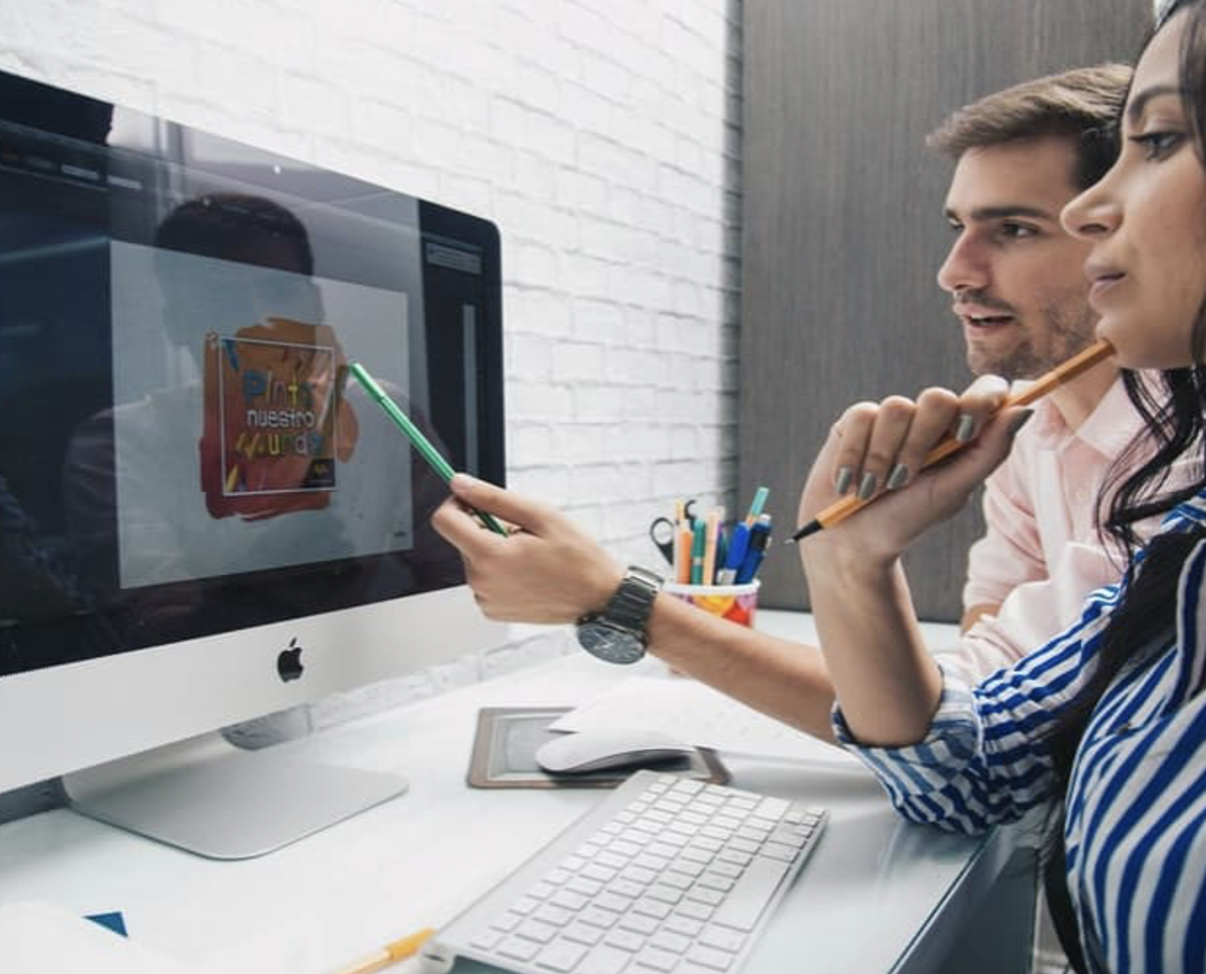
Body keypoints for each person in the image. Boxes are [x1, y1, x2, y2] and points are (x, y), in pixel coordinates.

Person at [431, 65, 1136, 744]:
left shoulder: (1173, 458)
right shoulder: (1028, 426)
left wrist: (619, 601)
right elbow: (994, 672)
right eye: (958, 228)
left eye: (1014, 229)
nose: (954, 273)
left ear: (1126, 236)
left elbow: (977, 730)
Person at [790, 2, 1206, 970]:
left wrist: (626, 603)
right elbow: (965, 769)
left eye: (1160, 141)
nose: (1093, 209)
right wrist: (851, 558)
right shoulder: (1183, 542)